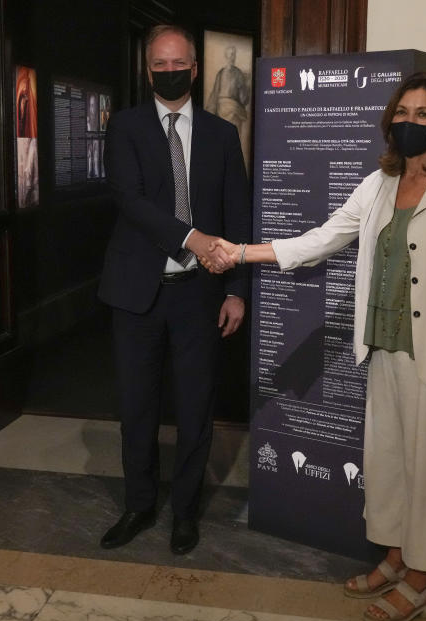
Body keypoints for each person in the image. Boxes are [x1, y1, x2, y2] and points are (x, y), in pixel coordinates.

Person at [207, 72, 426, 621]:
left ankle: (421, 580)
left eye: (423, 114)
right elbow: (319, 240)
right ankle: (395, 557)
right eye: (403, 112)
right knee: (389, 463)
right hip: (384, 350)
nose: (410, 122)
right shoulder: (378, 184)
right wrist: (239, 252)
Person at [97, 24, 251, 555]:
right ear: (148, 70)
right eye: (159, 65)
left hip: (199, 295)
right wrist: (191, 236)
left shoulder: (222, 134)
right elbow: (130, 201)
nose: (169, 72)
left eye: (177, 63)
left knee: (194, 408)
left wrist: (236, 289)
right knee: (137, 408)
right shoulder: (125, 127)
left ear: (194, 66)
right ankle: (139, 505)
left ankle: (185, 512)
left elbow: (239, 213)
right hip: (137, 293)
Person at [205, 45, 250, 135]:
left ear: (235, 56)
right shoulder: (220, 73)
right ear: (226, 56)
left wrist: (245, 86)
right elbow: (215, 93)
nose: (231, 57)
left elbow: (243, 99)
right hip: (221, 110)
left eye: (233, 54)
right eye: (230, 55)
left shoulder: (238, 74)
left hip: (235, 111)